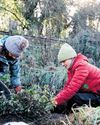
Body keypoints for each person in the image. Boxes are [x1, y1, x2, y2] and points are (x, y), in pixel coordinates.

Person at [52, 43, 100, 111]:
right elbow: (67, 87)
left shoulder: (81, 66)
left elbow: (71, 89)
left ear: (71, 58)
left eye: (64, 61)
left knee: (74, 98)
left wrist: (54, 102)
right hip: (92, 92)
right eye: (61, 62)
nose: (62, 64)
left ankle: (67, 114)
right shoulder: (72, 69)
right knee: (68, 97)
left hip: (98, 95)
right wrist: (55, 99)